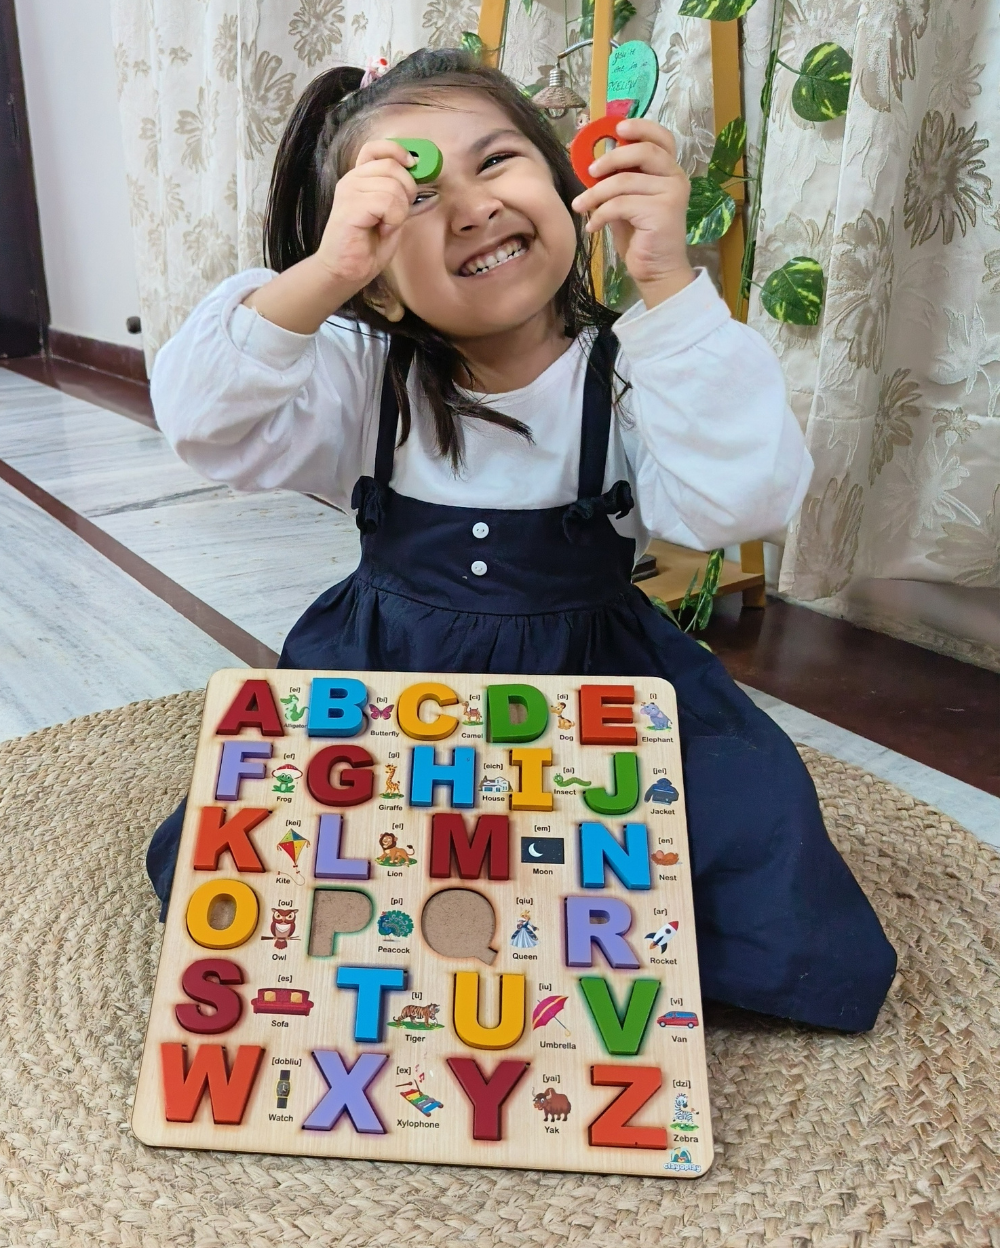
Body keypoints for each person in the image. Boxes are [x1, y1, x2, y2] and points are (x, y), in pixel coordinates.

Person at [147, 48, 896, 1032]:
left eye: (496, 161)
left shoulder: (629, 372)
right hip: (386, 695)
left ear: (566, 183)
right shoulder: (362, 376)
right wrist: (324, 274)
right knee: (250, 846)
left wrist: (669, 284)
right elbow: (203, 422)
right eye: (413, 193)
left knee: (749, 814)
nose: (469, 205)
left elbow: (741, 501)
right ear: (376, 282)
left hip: (592, 692)